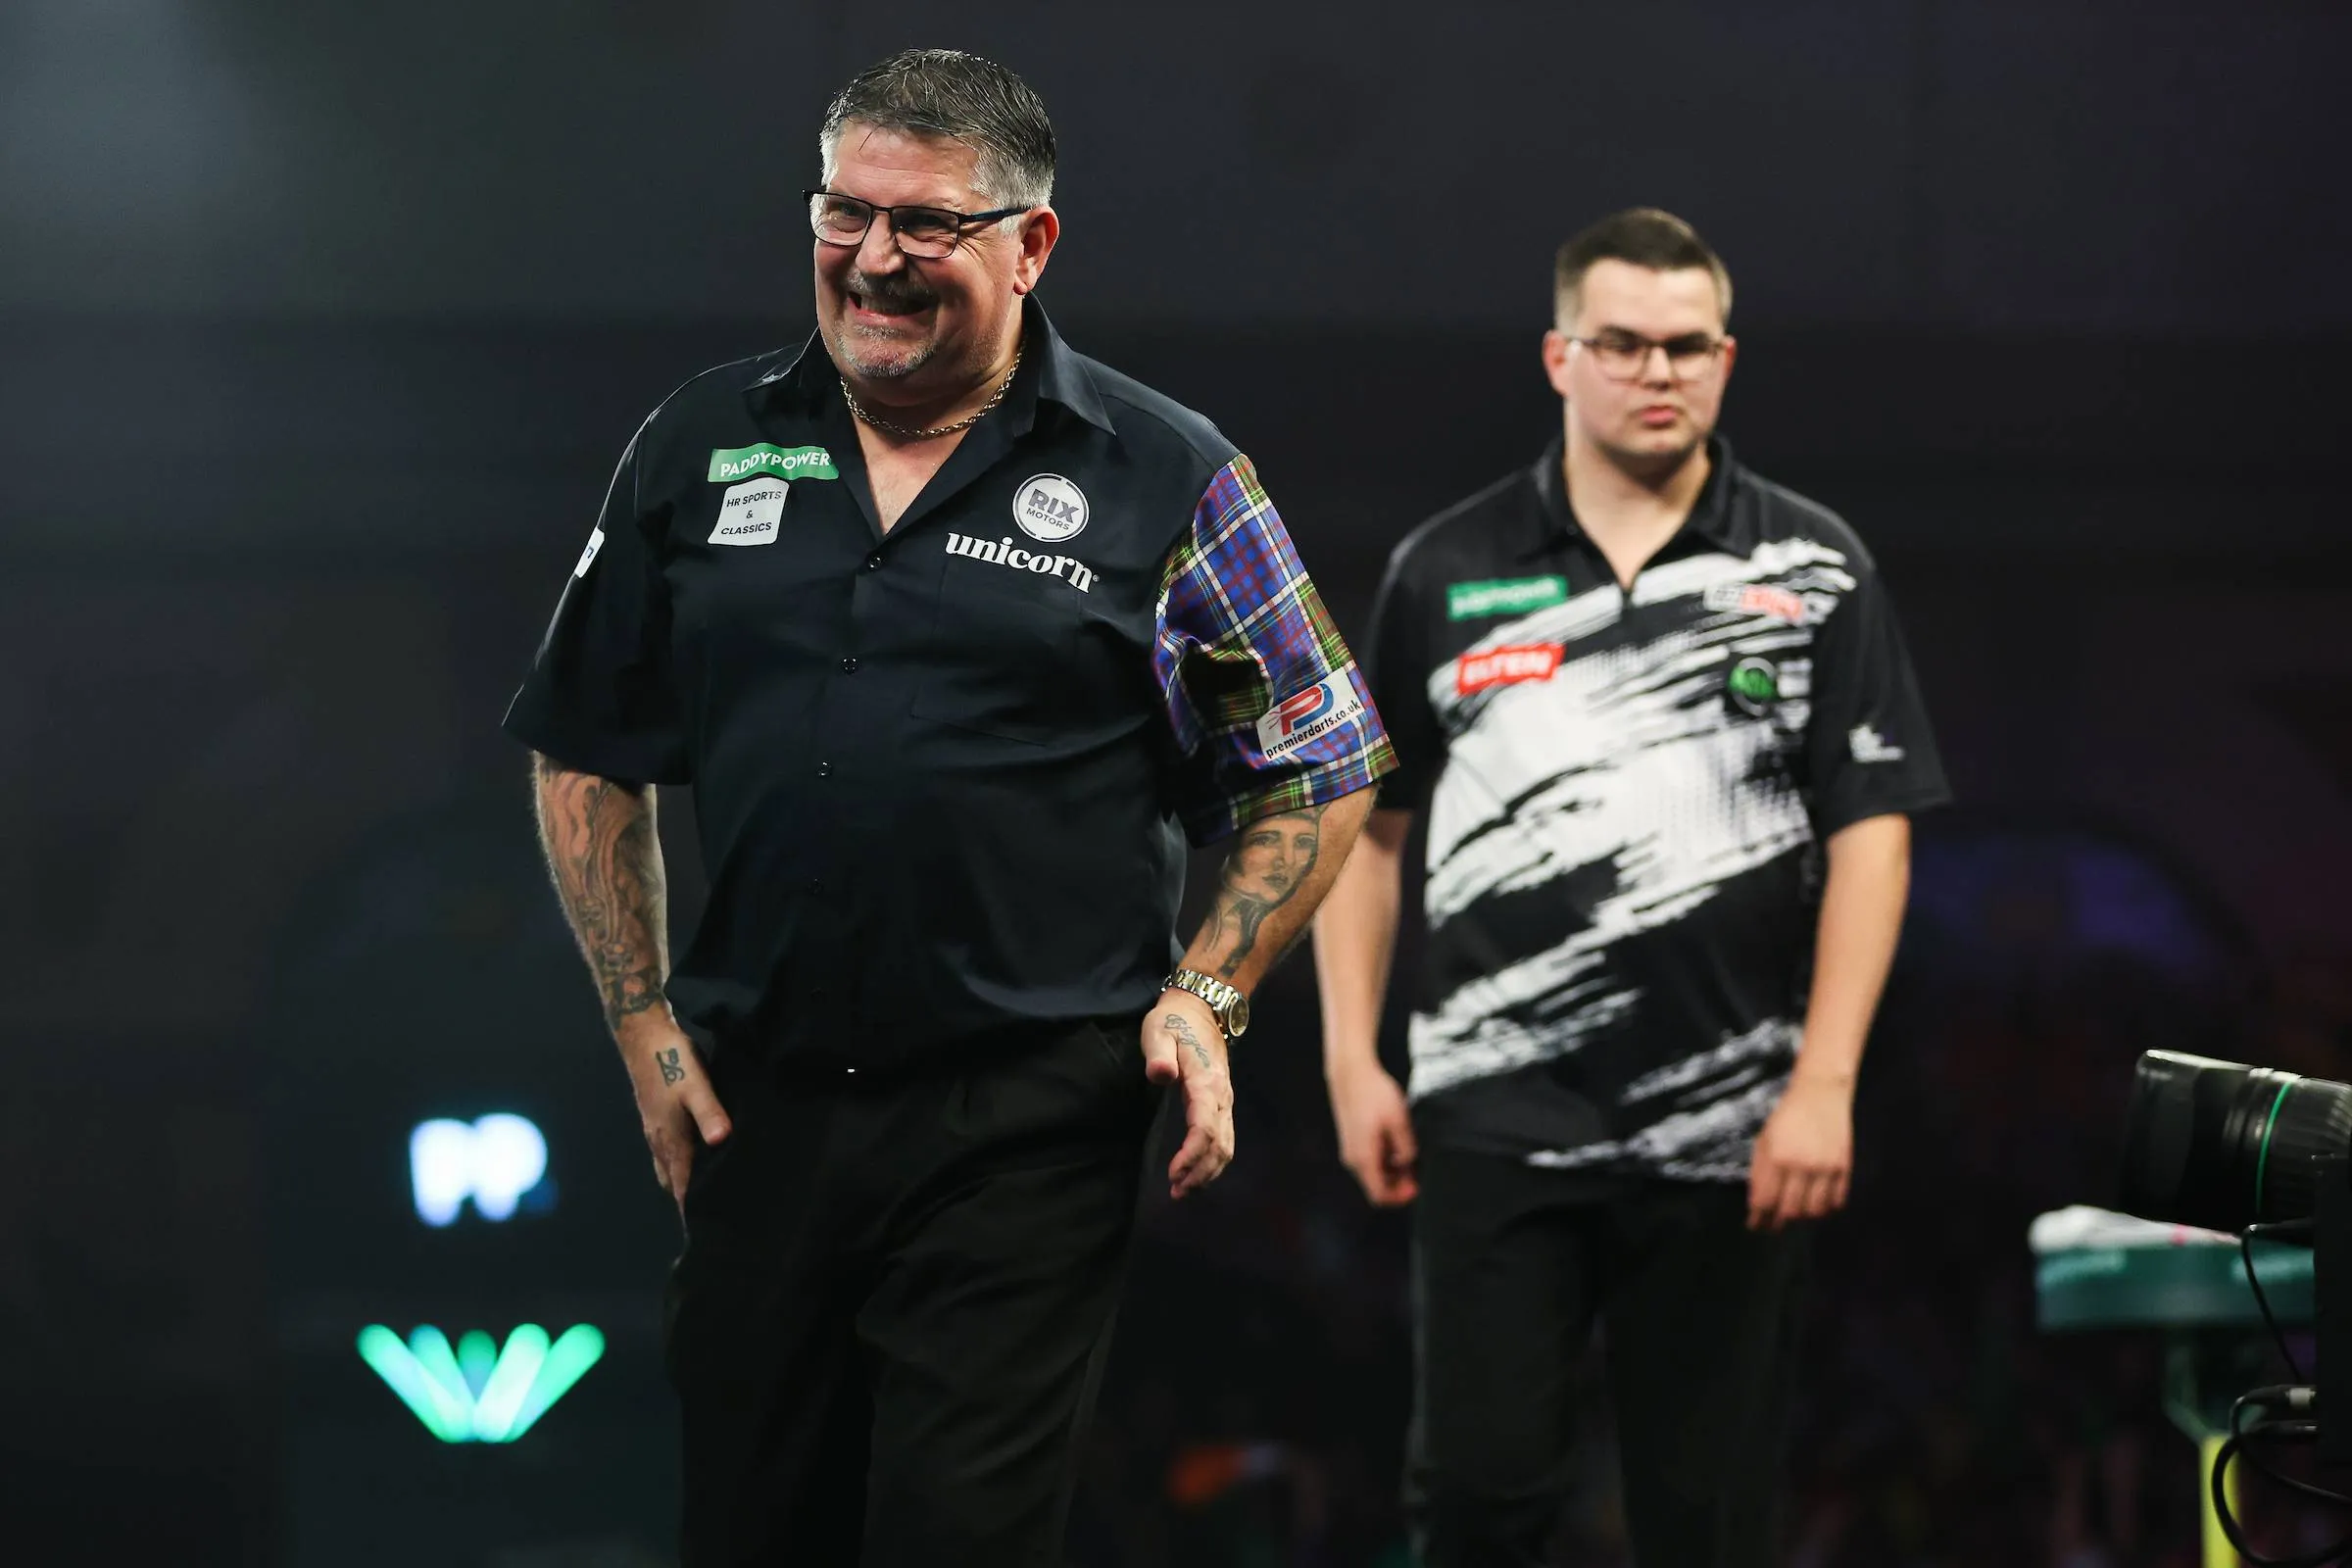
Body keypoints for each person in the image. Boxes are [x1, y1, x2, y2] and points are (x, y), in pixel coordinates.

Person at [504, 48, 1394, 1567]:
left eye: (925, 226)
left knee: (954, 1537)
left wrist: (1209, 993)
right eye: (845, 214)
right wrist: (643, 1023)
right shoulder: (699, 445)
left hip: (1025, 1120)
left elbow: (1322, 764)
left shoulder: (1166, 474)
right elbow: (584, 740)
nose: (872, 260)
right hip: (757, 1103)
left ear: (1030, 244)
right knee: (749, 1526)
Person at [1312, 208, 1950, 1566]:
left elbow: (1873, 833)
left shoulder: (1813, 567)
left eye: (1685, 346)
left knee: (1708, 1520)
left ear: (1726, 359)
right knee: (1478, 1501)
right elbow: (1369, 829)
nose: (1655, 372)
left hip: (1733, 1122)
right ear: (1559, 357)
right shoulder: (1446, 568)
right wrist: (1351, 1060)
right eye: (1622, 344)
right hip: (1491, 1112)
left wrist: (1825, 1084)